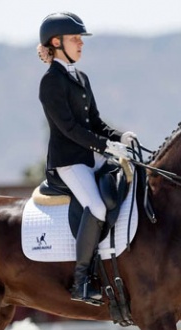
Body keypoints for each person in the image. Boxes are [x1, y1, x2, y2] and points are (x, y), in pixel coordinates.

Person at [37, 12, 138, 305]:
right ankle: (81, 280)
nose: (81, 43)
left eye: (80, 39)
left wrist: (120, 138)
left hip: (90, 156)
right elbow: (69, 129)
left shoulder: (81, 77)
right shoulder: (51, 82)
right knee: (95, 205)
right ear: (56, 42)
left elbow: (94, 121)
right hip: (68, 162)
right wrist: (106, 146)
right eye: (75, 38)